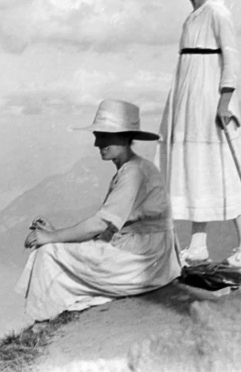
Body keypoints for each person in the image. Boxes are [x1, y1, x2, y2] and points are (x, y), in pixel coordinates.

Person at [14, 99, 181, 323]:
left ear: (124, 136)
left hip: (142, 261)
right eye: (98, 135)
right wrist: (58, 236)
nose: (97, 143)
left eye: (104, 135)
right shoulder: (135, 168)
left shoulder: (133, 173)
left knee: (48, 252)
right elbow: (110, 225)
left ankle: (41, 322)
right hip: (152, 257)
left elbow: (100, 224)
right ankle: (47, 315)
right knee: (56, 247)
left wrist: (52, 237)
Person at [156, 0, 241, 268]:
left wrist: (225, 102)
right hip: (189, 104)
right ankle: (198, 245)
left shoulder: (217, 12)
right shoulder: (193, 16)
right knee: (196, 167)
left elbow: (232, 59)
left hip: (211, 104)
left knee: (224, 167)